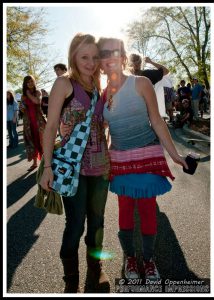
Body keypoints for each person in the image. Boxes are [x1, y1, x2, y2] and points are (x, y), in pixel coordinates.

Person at [97, 37, 188, 280]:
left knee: (147, 210)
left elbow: (157, 121)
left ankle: (148, 260)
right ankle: (130, 259)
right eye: (104, 54)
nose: (110, 58)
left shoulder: (141, 83)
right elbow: (102, 128)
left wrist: (175, 154)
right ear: (101, 63)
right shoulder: (103, 94)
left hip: (147, 154)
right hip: (120, 158)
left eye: (114, 52)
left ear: (123, 57)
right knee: (125, 211)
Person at [39, 33, 110, 293]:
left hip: (101, 168)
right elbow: (50, 128)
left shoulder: (100, 87)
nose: (90, 63)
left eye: (94, 57)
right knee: (76, 224)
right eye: (84, 57)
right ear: (73, 57)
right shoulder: (64, 84)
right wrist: (47, 167)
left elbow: (103, 126)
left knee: (98, 222)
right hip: (73, 170)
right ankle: (71, 282)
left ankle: (96, 270)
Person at [21, 75, 46, 171]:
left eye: (32, 81)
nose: (30, 83)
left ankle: (46, 163)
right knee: (32, 142)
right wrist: (22, 107)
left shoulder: (37, 92)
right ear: (25, 84)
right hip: (29, 123)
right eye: (28, 82)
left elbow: (37, 101)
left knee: (42, 142)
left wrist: (28, 94)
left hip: (39, 122)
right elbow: (22, 109)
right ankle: (35, 163)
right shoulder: (23, 96)